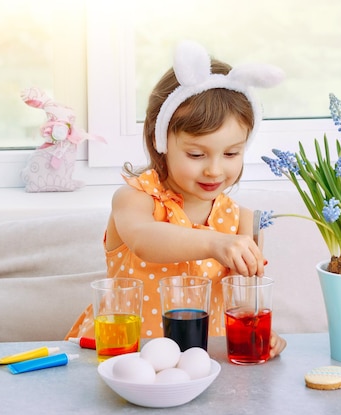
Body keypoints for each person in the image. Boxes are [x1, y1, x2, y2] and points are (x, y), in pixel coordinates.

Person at [66, 41, 286, 359]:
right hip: (121, 354)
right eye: (196, 154)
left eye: (231, 153)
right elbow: (145, 239)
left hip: (200, 362)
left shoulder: (243, 222)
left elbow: (241, 304)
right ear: (161, 141)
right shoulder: (135, 199)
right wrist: (215, 243)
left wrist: (258, 332)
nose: (214, 169)